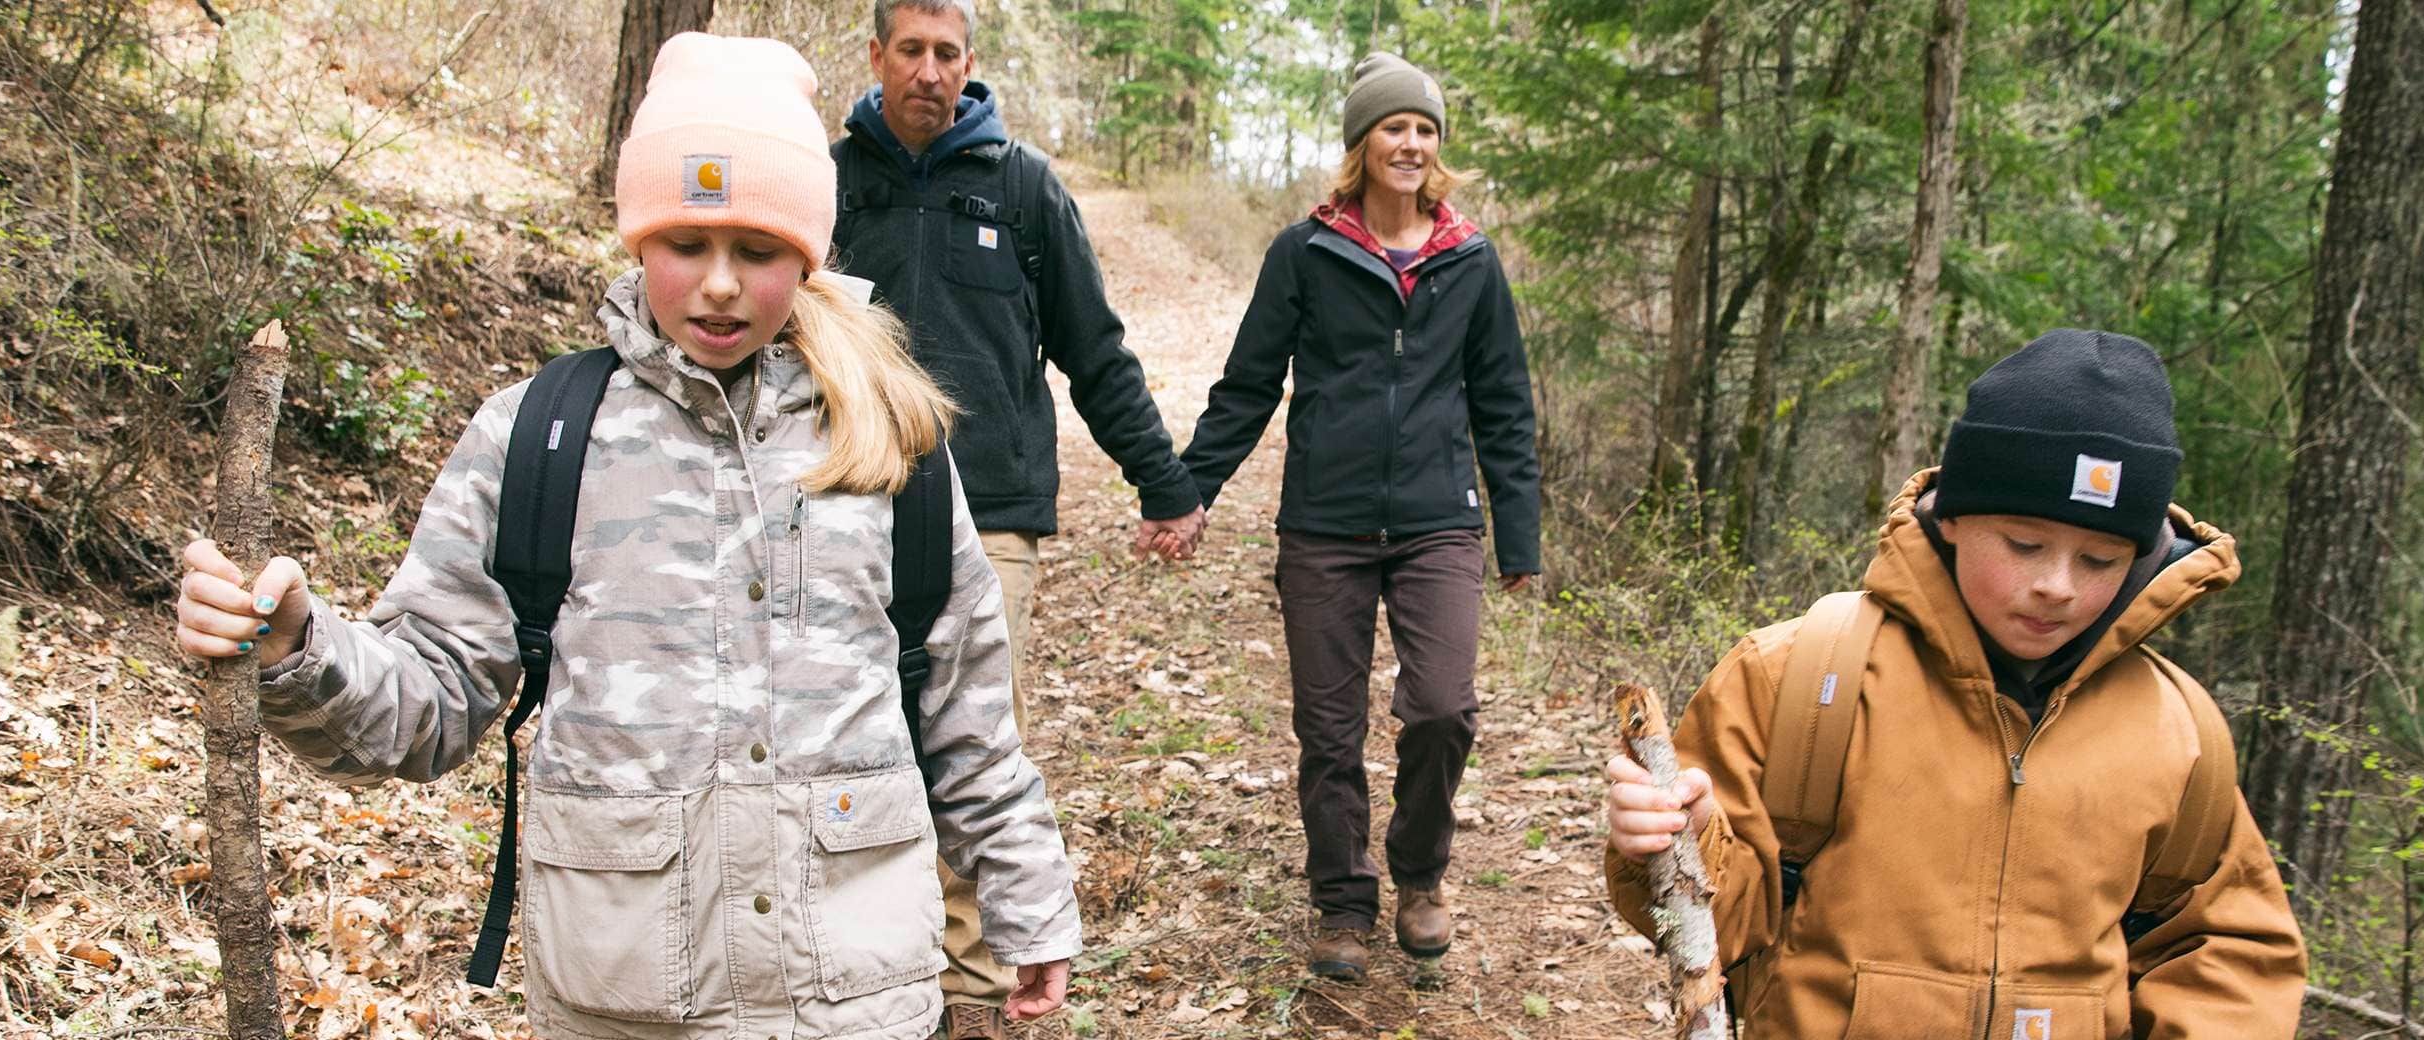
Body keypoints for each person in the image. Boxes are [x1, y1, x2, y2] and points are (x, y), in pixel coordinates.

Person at [170, 35, 1077, 1039]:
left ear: (809, 253)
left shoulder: (889, 441)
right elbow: (430, 699)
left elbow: (968, 716)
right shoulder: (540, 436)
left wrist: (1027, 896)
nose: (721, 284)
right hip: (626, 1004)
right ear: (637, 239)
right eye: (686, 244)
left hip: (855, 1004)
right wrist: (300, 645)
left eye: (760, 249)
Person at [1602, 330, 2306, 1036]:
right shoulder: (1800, 677)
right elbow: (1720, 928)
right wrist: (1680, 843)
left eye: (2099, 558)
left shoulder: (2177, 732)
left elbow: (2226, 952)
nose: (2056, 586)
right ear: (1957, 517)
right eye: (2024, 544)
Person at [829, 3, 1201, 1032]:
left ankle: (972, 990)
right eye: (911, 51)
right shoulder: (828, 184)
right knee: (852, 737)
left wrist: (1162, 483)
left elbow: (1095, 348)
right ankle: (865, 962)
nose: (929, 72)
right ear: (877, 57)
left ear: (970, 63)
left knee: (970, 739)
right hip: (841, 502)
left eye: (948, 53)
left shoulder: (1023, 187)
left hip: (988, 514)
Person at [1178, 51, 1541, 981]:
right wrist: (1188, 492)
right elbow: (1248, 385)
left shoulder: (1469, 259)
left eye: (1424, 129)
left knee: (1443, 708)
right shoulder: (1305, 253)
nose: (1411, 143)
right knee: (1329, 730)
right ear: (1362, 144)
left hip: (1438, 521)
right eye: (1394, 127)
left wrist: (1519, 532)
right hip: (1326, 525)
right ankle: (1343, 899)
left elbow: (1502, 403)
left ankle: (1420, 876)